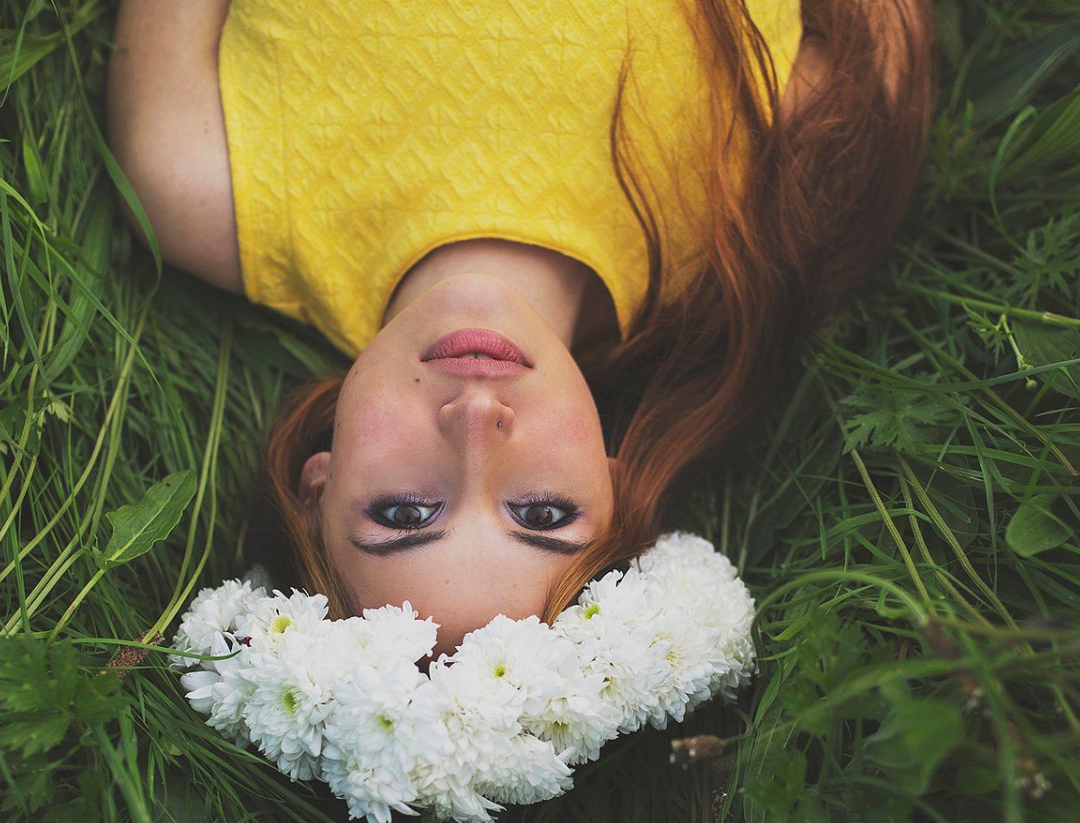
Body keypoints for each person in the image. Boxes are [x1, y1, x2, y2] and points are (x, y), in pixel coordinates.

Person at [107, 0, 933, 655]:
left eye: (403, 513)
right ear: (614, 485)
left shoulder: (191, 180)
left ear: (317, 486)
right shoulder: (760, 214)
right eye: (541, 514)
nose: (476, 420)